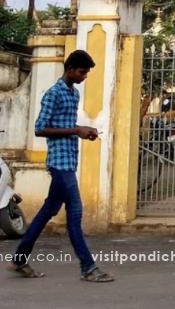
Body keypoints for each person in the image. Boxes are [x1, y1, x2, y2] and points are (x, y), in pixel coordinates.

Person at [10, 50, 114, 282]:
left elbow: (65, 125)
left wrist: (83, 130)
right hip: (59, 163)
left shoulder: (73, 94)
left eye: (86, 72)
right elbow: (39, 127)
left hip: (69, 160)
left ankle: (19, 258)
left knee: (47, 211)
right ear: (70, 70)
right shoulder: (53, 94)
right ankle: (88, 268)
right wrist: (77, 130)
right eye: (82, 72)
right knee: (75, 213)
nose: (85, 76)